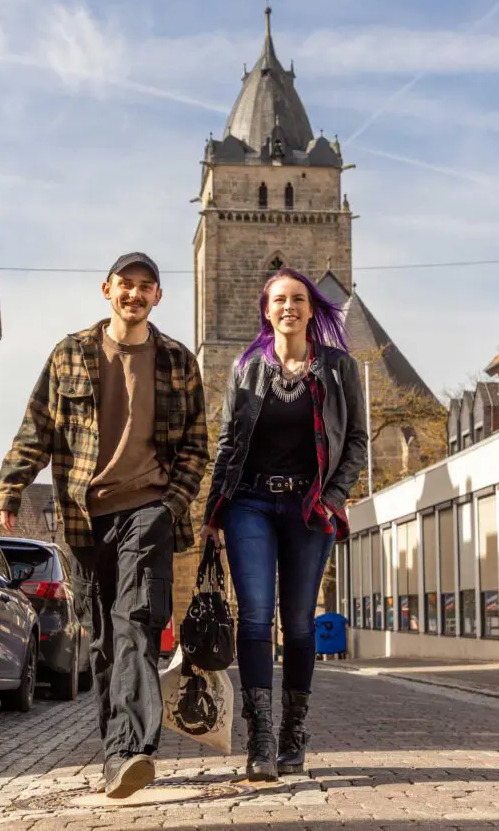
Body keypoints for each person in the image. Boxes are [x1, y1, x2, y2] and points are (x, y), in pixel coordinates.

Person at [0, 252, 208, 798]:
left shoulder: (179, 361)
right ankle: (116, 754)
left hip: (150, 512)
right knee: (106, 640)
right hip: (85, 517)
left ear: (158, 297)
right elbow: (36, 428)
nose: (135, 295)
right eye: (126, 285)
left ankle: (131, 750)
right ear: (106, 289)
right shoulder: (70, 355)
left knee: (137, 623)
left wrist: (170, 507)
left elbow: (195, 447)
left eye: (146, 287)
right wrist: (8, 490)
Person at [201, 268, 367, 782]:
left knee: (297, 624)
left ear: (312, 308)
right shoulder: (246, 368)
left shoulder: (339, 368)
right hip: (250, 503)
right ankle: (262, 739)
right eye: (279, 299)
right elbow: (229, 443)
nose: (289, 306)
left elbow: (356, 441)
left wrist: (334, 498)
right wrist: (213, 512)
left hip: (310, 508)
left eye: (298, 298)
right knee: (254, 616)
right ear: (267, 310)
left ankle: (294, 732)